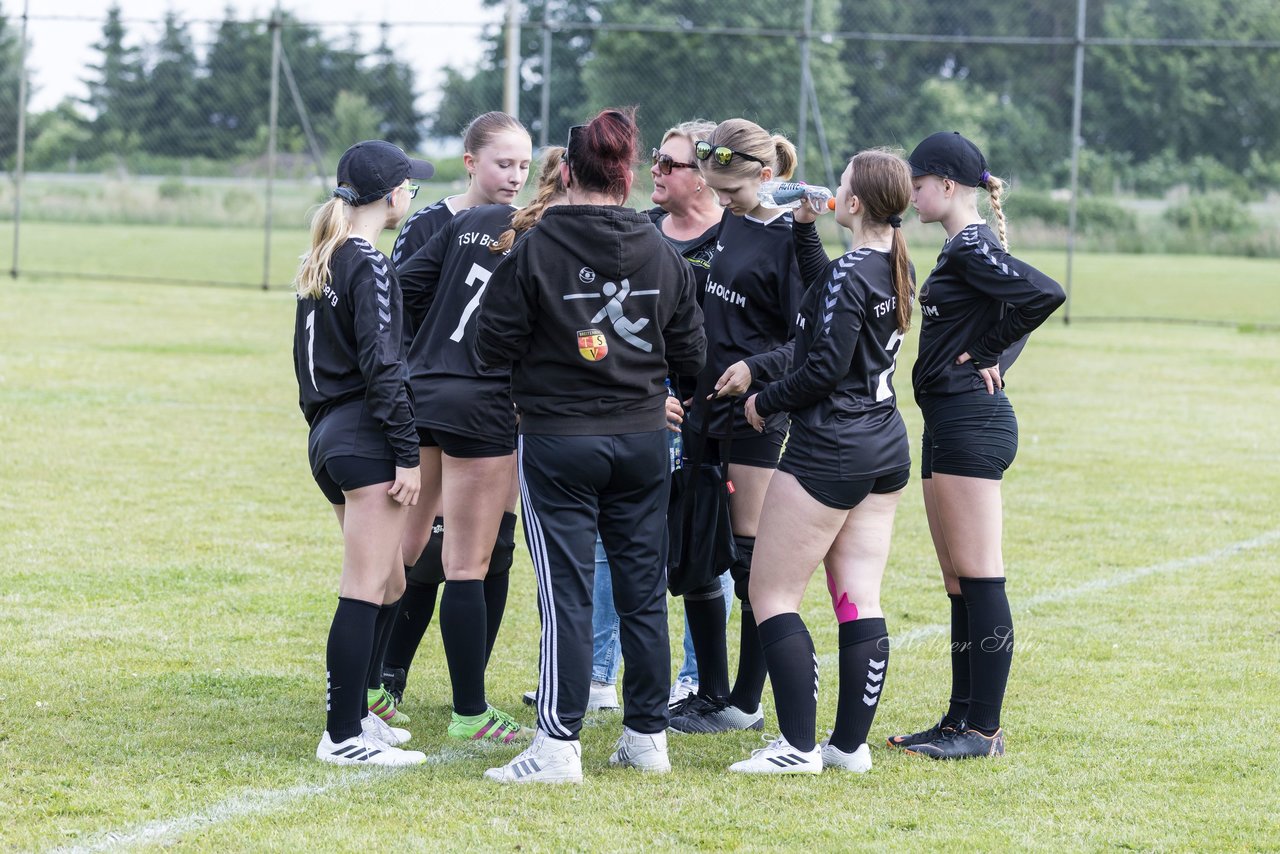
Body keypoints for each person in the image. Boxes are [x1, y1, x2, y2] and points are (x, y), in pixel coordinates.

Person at [477, 109, 706, 783]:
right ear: (627, 175)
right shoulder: (661, 250)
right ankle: (646, 737)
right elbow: (691, 356)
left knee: (567, 594)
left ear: (566, 172)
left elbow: (492, 343)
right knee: (642, 592)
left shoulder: (536, 248)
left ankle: (556, 745)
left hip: (558, 443)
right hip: (642, 442)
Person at [713, 149, 915, 773]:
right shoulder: (890, 266)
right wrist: (804, 229)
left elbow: (822, 363)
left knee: (770, 591)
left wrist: (763, 401)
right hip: (884, 444)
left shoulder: (853, 272)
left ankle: (798, 747)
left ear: (852, 203)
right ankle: (848, 748)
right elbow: (826, 305)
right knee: (859, 594)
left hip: (832, 448)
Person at [889, 131, 1064, 760]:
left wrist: (990, 355)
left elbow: (1043, 294)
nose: (909, 194)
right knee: (958, 580)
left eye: (916, 183)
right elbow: (1004, 313)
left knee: (981, 576)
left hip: (971, 421)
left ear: (946, 184)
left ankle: (983, 730)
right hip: (947, 419)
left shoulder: (968, 244)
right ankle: (958, 718)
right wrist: (994, 350)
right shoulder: (960, 248)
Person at [391, 147, 567, 745]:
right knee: (469, 562)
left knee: (406, 549)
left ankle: (371, 690)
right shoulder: (556, 241)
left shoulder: (467, 222)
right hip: (483, 403)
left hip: (422, 392)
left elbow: (401, 288)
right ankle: (470, 714)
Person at [667, 118, 828, 735]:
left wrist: (753, 369)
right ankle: (710, 692)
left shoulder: (793, 239)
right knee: (698, 546)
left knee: (749, 560)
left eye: (730, 193)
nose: (720, 203)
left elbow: (809, 342)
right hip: (703, 408)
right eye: (713, 190)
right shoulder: (732, 222)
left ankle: (744, 702)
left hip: (756, 413)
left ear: (766, 176)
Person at [379, 111, 533, 719]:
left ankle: (469, 693)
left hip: (483, 404)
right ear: (470, 162)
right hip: (447, 400)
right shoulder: (433, 223)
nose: (515, 176)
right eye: (503, 163)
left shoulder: (526, 229)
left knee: (491, 546)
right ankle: (390, 676)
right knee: (424, 550)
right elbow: (399, 301)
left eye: (524, 165)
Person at [577, 119, 733, 710]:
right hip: (640, 407)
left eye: (671, 164)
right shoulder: (638, 232)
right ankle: (597, 675)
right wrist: (640, 391)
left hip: (712, 413)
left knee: (701, 541)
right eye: (656, 162)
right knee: (607, 540)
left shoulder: (735, 239)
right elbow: (597, 318)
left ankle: (697, 677)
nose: (656, 173)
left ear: (705, 178)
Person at [292, 139, 435, 766]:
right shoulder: (367, 261)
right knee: (363, 585)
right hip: (362, 437)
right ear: (391, 195)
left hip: (328, 436)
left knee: (392, 578)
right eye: (410, 186)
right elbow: (385, 367)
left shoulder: (322, 258)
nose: (413, 195)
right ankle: (343, 736)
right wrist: (406, 453)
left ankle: (362, 717)